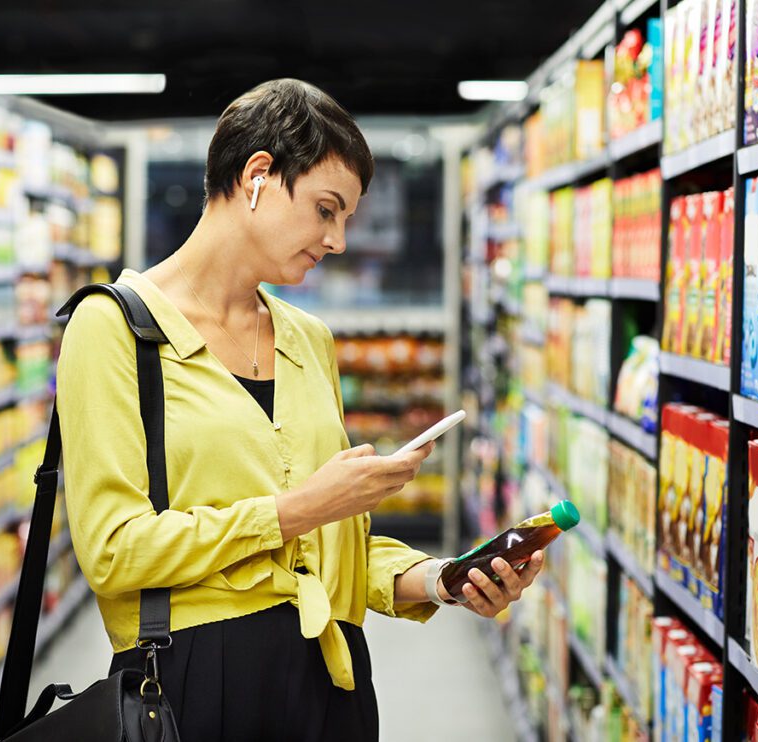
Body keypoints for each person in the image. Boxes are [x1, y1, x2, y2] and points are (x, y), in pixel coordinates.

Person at [56, 78, 544, 742]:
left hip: (332, 684)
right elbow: (113, 551)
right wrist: (298, 510)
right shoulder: (113, 328)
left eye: (345, 218)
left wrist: (439, 579)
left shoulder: (308, 340)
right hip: (193, 687)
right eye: (325, 209)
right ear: (257, 175)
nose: (337, 239)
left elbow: (331, 552)